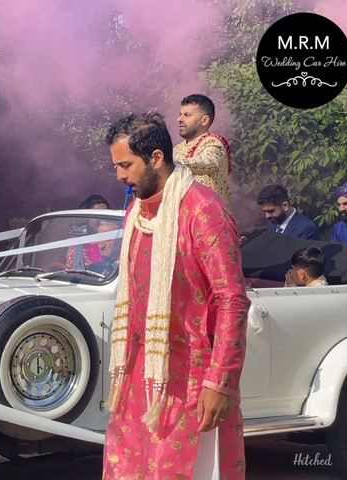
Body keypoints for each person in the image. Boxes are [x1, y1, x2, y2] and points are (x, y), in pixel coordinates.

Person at [104, 113, 248, 479]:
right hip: (141, 380)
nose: (119, 175)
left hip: (193, 384)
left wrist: (221, 383)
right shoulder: (136, 212)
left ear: (155, 157)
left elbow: (232, 299)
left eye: (125, 165)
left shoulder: (203, 211)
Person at [173, 94, 232, 203]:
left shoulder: (213, 143)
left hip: (210, 215)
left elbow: (208, 163)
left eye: (187, 115)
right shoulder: (177, 149)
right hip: (183, 215)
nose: (179, 119)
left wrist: (171, 163)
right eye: (180, 114)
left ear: (204, 120)